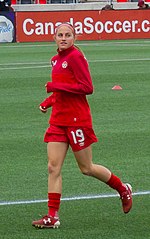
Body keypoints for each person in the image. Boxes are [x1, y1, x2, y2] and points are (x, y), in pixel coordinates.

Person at [32, 23, 132, 229]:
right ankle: (52, 216)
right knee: (53, 167)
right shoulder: (55, 60)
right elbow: (62, 91)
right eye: (60, 35)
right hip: (58, 121)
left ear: (74, 38)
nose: (63, 38)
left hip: (77, 120)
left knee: (86, 168)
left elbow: (87, 88)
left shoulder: (76, 57)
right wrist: (48, 101)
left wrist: (55, 86)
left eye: (68, 35)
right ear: (54, 37)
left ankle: (122, 188)